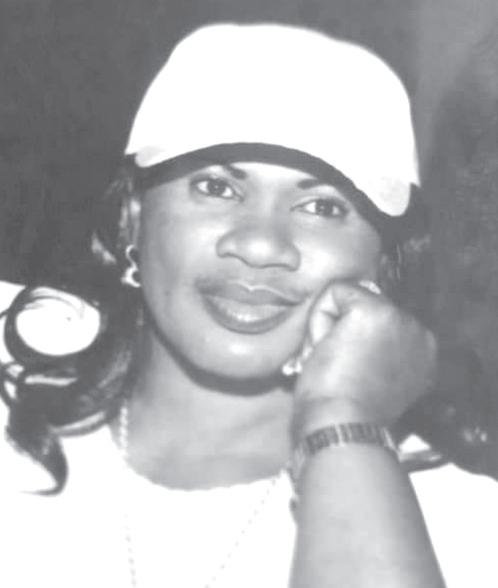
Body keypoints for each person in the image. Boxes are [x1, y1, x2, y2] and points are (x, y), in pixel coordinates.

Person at [0, 22, 450, 587]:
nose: (259, 245)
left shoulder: (466, 523)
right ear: (132, 218)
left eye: (322, 207)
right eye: (216, 187)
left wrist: (342, 421)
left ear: (382, 262)